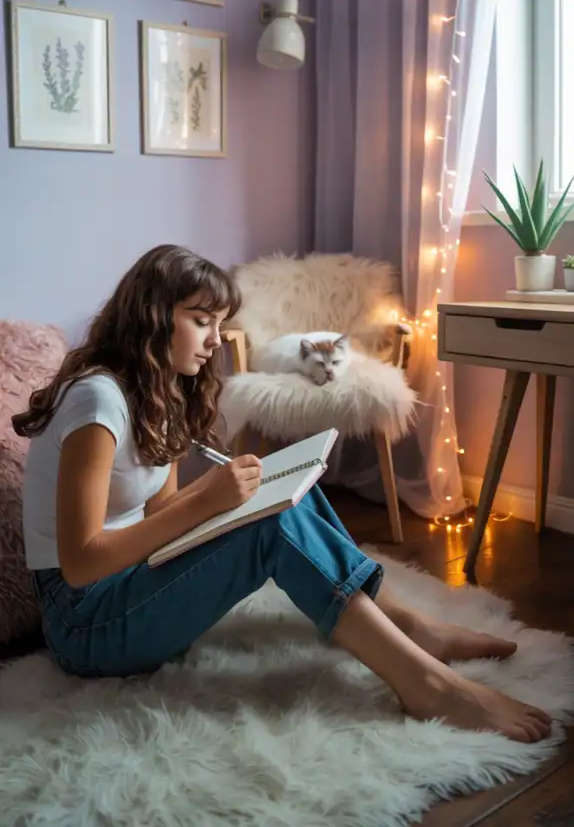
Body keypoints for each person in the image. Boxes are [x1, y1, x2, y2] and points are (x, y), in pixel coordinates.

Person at [14, 244, 551, 745]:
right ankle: (428, 687)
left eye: (219, 324)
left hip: (128, 585)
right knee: (268, 524)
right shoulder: (96, 401)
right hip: (85, 622)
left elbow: (156, 512)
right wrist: (208, 502)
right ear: (151, 319)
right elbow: (81, 563)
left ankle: (411, 626)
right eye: (201, 322)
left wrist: (231, 493)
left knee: (287, 494)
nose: (215, 339)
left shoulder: (159, 391)